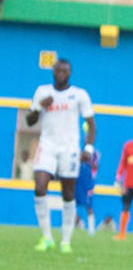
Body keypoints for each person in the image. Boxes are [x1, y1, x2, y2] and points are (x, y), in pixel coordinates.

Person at [27, 58, 96, 253]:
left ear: (69, 73)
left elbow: (91, 124)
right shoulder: (42, 92)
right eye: (58, 70)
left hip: (69, 148)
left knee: (68, 193)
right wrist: (39, 106)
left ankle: (66, 240)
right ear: (53, 71)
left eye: (64, 71)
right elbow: (30, 121)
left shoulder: (79, 94)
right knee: (40, 186)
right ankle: (47, 237)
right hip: (47, 146)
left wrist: (88, 149)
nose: (61, 74)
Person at [74, 142, 100, 236]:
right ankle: (69, 226)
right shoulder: (80, 157)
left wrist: (87, 160)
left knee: (89, 207)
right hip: (79, 184)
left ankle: (91, 229)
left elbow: (95, 167)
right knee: (72, 205)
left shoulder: (93, 158)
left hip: (88, 185)